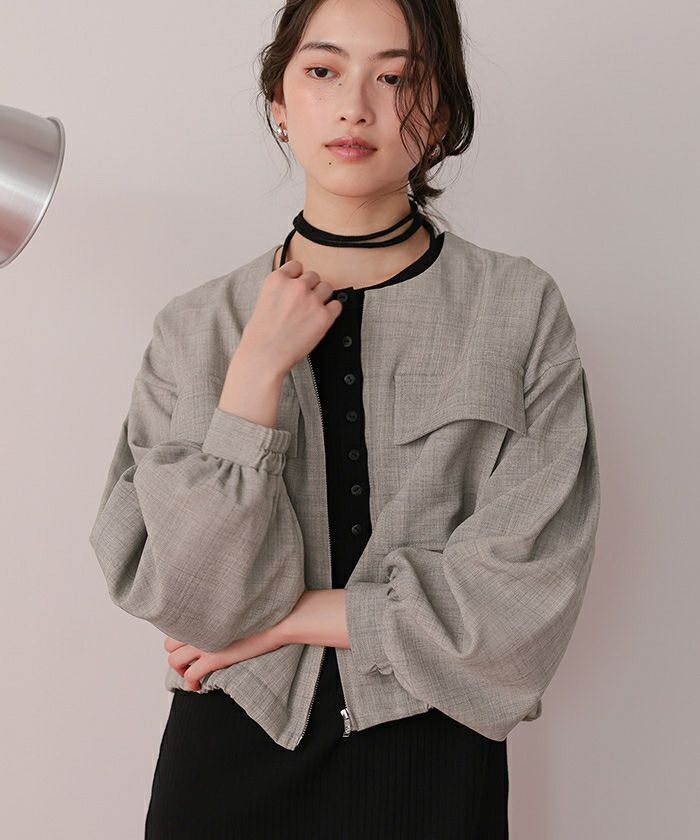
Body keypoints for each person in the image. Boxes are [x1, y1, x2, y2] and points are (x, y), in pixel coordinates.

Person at [89, 1, 601, 837]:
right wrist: (254, 375)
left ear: (444, 112)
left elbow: (518, 607)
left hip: (433, 757)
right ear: (279, 102)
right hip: (225, 757)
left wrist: (287, 617)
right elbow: (187, 599)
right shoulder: (196, 326)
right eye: (323, 71)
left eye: (396, 77)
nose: (355, 106)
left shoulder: (517, 308)